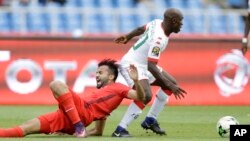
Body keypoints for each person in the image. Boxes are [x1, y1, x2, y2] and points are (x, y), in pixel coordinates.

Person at [0, 59, 145, 138]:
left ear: (111, 76)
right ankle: (77, 127)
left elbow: (140, 97)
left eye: (100, 72)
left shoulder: (119, 87)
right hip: (68, 116)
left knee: (56, 84)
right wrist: (79, 131)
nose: (96, 75)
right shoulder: (103, 97)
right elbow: (98, 131)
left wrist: (136, 81)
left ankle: (78, 127)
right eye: (96, 72)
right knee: (24, 129)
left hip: (81, 113)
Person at [111, 8, 187, 137]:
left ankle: (150, 120)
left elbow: (141, 28)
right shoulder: (159, 39)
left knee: (170, 83)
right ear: (173, 21)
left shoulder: (157, 22)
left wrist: (128, 36)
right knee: (146, 95)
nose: (181, 25)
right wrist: (170, 86)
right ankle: (120, 130)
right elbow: (152, 66)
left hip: (144, 64)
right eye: (180, 22)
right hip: (132, 65)